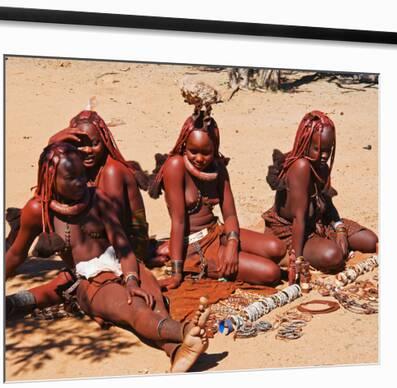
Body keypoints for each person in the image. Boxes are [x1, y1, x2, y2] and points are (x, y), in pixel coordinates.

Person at [5, 142, 209, 373]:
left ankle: (177, 351)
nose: (81, 181)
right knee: (136, 310)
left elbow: (122, 247)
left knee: (156, 304)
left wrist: (132, 279)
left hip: (126, 264)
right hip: (91, 281)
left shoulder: (97, 198)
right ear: (51, 179)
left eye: (83, 174)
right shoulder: (37, 211)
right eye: (71, 177)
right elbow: (15, 255)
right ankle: (185, 331)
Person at [148, 110, 286, 289]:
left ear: (215, 149)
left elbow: (229, 215)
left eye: (206, 152)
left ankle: (232, 255)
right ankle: (202, 263)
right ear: (183, 145)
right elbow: (179, 221)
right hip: (194, 246)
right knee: (271, 273)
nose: (199, 158)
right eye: (193, 151)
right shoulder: (175, 166)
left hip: (216, 231)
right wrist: (176, 273)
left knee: (277, 248)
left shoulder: (218, 168)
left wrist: (231, 245)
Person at [262, 110, 378, 280]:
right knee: (333, 256)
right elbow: (298, 219)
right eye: (317, 149)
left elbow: (327, 204)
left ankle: (327, 243)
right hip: (292, 232)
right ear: (306, 143)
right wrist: (297, 261)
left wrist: (339, 229)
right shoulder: (300, 167)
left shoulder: (320, 165)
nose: (324, 155)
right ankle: (305, 252)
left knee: (370, 240)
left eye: (328, 150)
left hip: (319, 222)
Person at [47, 109, 153, 262]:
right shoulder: (82, 168)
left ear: (104, 141)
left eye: (95, 144)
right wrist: (53, 143)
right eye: (80, 145)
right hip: (105, 245)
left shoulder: (112, 171)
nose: (88, 150)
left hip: (128, 250)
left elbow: (113, 226)